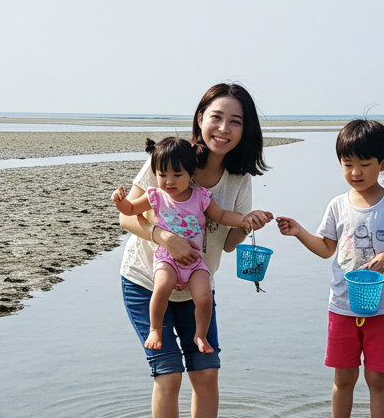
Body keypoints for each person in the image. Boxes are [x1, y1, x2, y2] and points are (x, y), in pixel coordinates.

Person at [118, 84, 273, 418]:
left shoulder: (239, 180)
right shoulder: (170, 158)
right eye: (216, 117)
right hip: (147, 279)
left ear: (245, 129)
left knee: (206, 373)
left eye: (235, 121)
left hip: (196, 283)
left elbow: (229, 244)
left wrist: (247, 224)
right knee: (168, 373)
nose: (223, 128)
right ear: (201, 118)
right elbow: (127, 217)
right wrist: (165, 238)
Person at [275, 120, 384, 418]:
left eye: (364, 165)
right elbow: (326, 248)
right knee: (343, 379)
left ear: (383, 163)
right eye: (348, 164)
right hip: (342, 306)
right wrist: (299, 231)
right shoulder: (338, 205)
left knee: (378, 379)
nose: (356, 172)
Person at [113, 137, 270, 354]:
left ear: (191, 174)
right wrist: (120, 201)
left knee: (204, 297)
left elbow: (222, 215)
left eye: (177, 175)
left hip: (195, 262)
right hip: (167, 259)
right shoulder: (156, 196)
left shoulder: (200, 196)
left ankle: (200, 335)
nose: (169, 182)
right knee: (162, 288)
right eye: (162, 175)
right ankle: (155, 330)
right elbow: (130, 211)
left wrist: (245, 220)